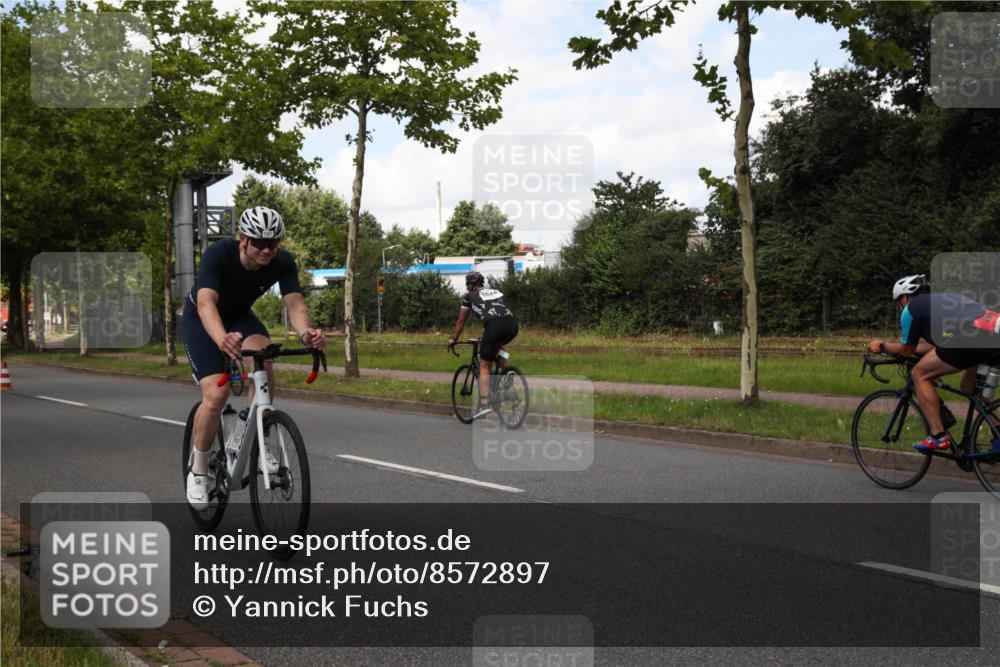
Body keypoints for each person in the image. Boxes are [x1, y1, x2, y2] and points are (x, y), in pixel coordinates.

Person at [182, 206, 325, 509]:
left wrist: (305, 334)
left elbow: (295, 303)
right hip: (202, 320)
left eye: (273, 243)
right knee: (216, 394)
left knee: (264, 355)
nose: (266, 250)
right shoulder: (219, 254)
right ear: (242, 239)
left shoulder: (282, 261)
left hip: (240, 318)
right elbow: (207, 304)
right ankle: (199, 470)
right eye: (259, 242)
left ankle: (254, 431)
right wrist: (221, 339)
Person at [867, 274, 1000, 451]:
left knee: (920, 374)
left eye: (899, 301)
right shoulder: (943, 302)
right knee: (970, 389)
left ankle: (938, 435)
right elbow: (932, 345)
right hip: (993, 334)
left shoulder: (910, 310)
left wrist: (882, 346)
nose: (901, 306)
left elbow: (907, 350)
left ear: (905, 297)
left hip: (969, 337)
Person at [448, 271, 519, 419]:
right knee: (499, 343)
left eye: (468, 284)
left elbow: (461, 321)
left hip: (494, 326)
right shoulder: (494, 292)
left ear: (471, 285)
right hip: (512, 325)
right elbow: (496, 313)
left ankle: (484, 404)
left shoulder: (469, 297)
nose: (467, 287)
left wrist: (454, 338)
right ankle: (507, 371)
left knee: (484, 366)